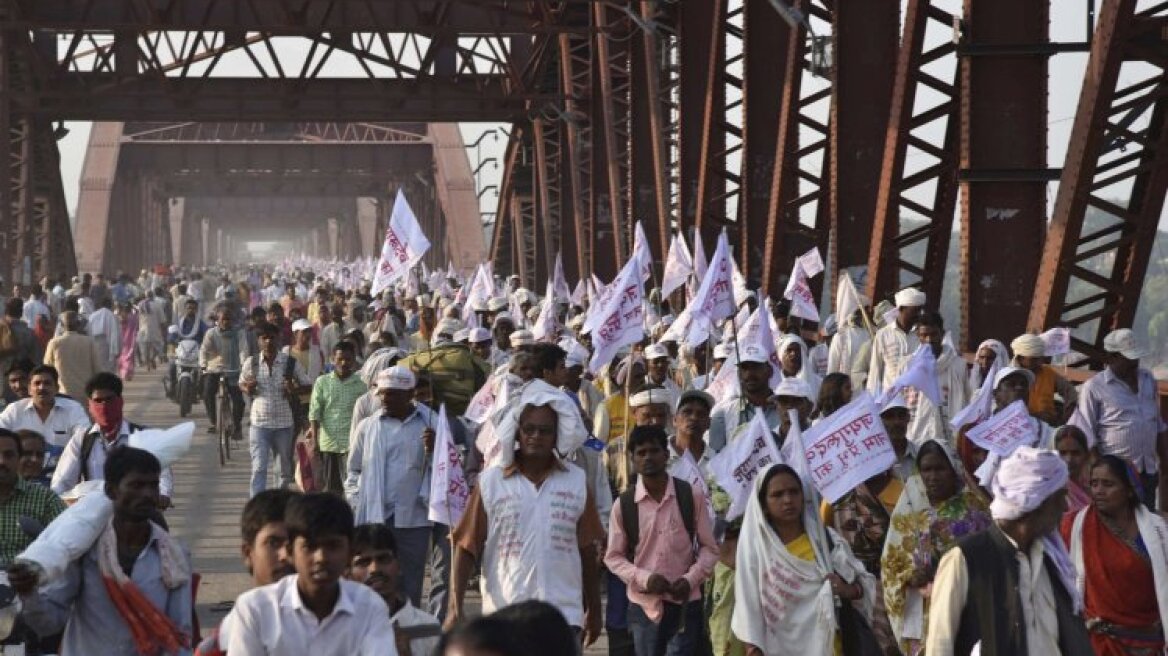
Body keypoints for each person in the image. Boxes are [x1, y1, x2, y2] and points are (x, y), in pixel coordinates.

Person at [447, 379, 604, 647]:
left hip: (563, 616)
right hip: (505, 615)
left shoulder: (576, 481)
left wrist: (594, 609)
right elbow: (465, 546)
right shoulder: (491, 482)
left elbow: (588, 550)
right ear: (518, 433)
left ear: (557, 435)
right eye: (529, 429)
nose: (536, 436)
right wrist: (454, 606)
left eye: (545, 430)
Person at [11, 447, 194, 656]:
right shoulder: (85, 551)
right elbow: (50, 623)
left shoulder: (174, 555)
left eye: (153, 486)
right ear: (111, 491)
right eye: (136, 485)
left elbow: (180, 634)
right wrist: (29, 592)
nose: (147, 494)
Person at [926, 447, 1091, 655]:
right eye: (1060, 497)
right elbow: (940, 645)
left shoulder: (1052, 559)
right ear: (1036, 502)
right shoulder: (965, 558)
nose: (1065, 507)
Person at [222, 492, 399, 655]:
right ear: (290, 552)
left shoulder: (370, 607)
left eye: (332, 546)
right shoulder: (254, 609)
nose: (321, 558)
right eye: (310, 547)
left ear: (350, 554)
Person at [731, 464, 876, 655]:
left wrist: (846, 589)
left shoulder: (825, 540)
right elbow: (748, 606)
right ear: (763, 504)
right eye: (778, 494)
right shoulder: (756, 552)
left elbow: (863, 585)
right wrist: (753, 648)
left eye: (794, 492)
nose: (788, 500)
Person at [605, 425, 718, 656]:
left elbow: (710, 548)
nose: (648, 457)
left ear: (666, 455)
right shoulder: (624, 506)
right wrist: (644, 579)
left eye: (654, 451)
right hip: (644, 606)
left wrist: (690, 579)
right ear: (633, 459)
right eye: (641, 452)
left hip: (685, 603)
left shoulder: (689, 495)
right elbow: (613, 557)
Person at [881, 439, 992, 654]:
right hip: (926, 609)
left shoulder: (975, 508)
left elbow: (991, 556)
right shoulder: (908, 510)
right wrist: (911, 576)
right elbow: (891, 563)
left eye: (940, 468)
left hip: (971, 606)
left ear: (954, 469)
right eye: (926, 469)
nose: (933, 477)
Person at [344, 366, 435, 607]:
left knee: (410, 583)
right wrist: (357, 500)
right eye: (383, 394)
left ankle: (408, 634)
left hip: (414, 519)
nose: (385, 399)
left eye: (393, 394)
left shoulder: (430, 424)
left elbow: (447, 469)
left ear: (410, 394)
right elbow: (353, 470)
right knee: (373, 582)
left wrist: (436, 449)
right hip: (376, 518)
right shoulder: (368, 427)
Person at [1062, 454, 1168, 655]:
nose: (1099, 491)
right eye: (1094, 484)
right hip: (1100, 644)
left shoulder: (1158, 531)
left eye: (1108, 484)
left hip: (1150, 641)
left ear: (1129, 490)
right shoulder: (1075, 526)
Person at [194, 488, 300, 656]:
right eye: (273, 543)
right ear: (247, 553)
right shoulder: (219, 647)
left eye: (295, 544)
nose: (285, 555)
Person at [1069, 328, 1167, 509]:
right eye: (1128, 358)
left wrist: (1164, 462)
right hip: (1116, 475)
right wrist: (1101, 474)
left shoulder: (1147, 379)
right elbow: (1086, 436)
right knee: (1117, 526)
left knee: (1145, 524)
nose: (1134, 362)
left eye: (1135, 357)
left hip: (1147, 469)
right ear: (1111, 358)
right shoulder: (1094, 387)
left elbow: (1157, 423)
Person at [51, 372, 174, 507]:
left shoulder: (144, 436)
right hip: (94, 514)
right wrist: (59, 502)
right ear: (90, 406)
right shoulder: (82, 439)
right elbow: (61, 482)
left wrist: (163, 495)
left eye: (109, 400)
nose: (104, 406)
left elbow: (163, 473)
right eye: (98, 401)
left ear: (120, 402)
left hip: (136, 511)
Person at [240, 322, 311, 498]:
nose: (269, 341)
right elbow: (241, 383)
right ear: (259, 341)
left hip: (284, 424)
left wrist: (293, 389)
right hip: (259, 424)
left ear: (278, 339)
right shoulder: (252, 362)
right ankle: (257, 504)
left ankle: (280, 506)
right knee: (259, 468)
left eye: (272, 337)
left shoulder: (289, 363)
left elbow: (308, 385)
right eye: (265, 338)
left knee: (283, 470)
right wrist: (247, 388)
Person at [348, 524, 441, 656]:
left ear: (399, 566)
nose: (374, 569)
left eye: (383, 559)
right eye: (363, 562)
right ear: (347, 574)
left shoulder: (428, 629)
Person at [0, 364, 91, 477]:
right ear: (29, 389)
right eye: (37, 383)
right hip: (22, 476)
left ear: (57, 388)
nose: (41, 387)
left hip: (62, 473)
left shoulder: (73, 408)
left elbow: (85, 437)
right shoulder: (14, 410)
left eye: (47, 383)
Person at [0, 428, 66, 564]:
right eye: (28, 454)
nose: (2, 461)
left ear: (17, 458)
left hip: (25, 580)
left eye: (9, 455)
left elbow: (65, 543)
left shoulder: (46, 499)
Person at [306, 341, 365, 495]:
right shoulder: (322, 382)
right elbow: (314, 412)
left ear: (354, 360)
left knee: (352, 488)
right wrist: (315, 439)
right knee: (332, 490)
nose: (344, 363)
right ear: (333, 359)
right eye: (340, 359)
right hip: (328, 443)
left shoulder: (361, 384)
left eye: (348, 359)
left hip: (351, 444)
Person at [707, 344, 780, 453]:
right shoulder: (722, 416)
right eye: (744, 368)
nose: (749, 374)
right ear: (738, 374)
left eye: (756, 367)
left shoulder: (785, 410)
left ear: (770, 371)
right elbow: (716, 462)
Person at [200, 309, 250, 437]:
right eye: (223, 319)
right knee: (207, 393)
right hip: (214, 369)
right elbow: (204, 351)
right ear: (218, 320)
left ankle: (237, 426)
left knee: (239, 401)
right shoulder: (211, 333)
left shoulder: (239, 333)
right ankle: (213, 421)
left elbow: (243, 349)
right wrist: (203, 365)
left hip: (233, 370)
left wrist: (244, 364)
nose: (226, 322)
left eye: (229, 319)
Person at [1010, 333, 1077, 426]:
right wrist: (1035, 416)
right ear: (1020, 358)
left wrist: (1065, 419)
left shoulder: (1047, 372)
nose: (1038, 362)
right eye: (1033, 359)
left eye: (1039, 359)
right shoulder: (1009, 376)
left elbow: (1070, 392)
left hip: (1048, 426)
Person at [867, 288, 924, 396]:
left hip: (916, 399)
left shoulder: (922, 335)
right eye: (915, 310)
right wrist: (872, 401)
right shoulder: (883, 335)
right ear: (901, 309)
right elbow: (875, 372)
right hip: (890, 400)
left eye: (920, 310)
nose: (919, 314)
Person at [43, 311, 103, 398]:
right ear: (78, 324)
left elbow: (47, 368)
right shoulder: (89, 342)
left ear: (62, 326)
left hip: (62, 393)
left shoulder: (54, 343)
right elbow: (97, 368)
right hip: (85, 393)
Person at [1054, 425, 1093, 516]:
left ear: (1086, 455)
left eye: (1075, 453)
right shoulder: (1053, 490)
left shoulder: (1096, 484)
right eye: (1063, 453)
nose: (1069, 459)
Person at [87, 297, 121, 373]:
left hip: (95, 343)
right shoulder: (112, 316)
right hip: (107, 345)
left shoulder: (93, 316)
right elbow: (117, 335)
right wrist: (118, 350)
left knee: (97, 367)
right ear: (110, 305)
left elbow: (88, 331)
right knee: (108, 369)